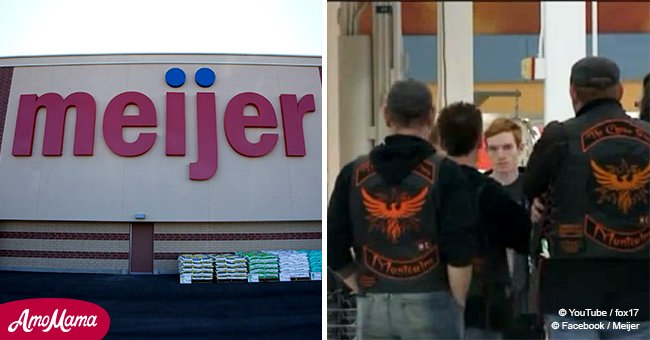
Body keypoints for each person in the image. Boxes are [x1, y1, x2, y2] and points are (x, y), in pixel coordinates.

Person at [327, 79, 477, 339]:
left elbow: (332, 244)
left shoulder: (353, 173)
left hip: (372, 305)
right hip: (432, 302)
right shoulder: (447, 174)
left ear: (386, 116)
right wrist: (457, 302)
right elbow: (459, 250)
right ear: (431, 118)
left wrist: (361, 286)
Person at [524, 56, 650, 339]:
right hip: (638, 283)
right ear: (620, 91)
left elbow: (529, 185)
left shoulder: (559, 136)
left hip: (573, 283)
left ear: (572, 92)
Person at [437, 102, 531, 339]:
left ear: (441, 141)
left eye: (507, 147)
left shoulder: (426, 187)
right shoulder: (489, 193)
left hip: (431, 305)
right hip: (483, 310)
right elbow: (525, 237)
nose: (501, 155)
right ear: (481, 144)